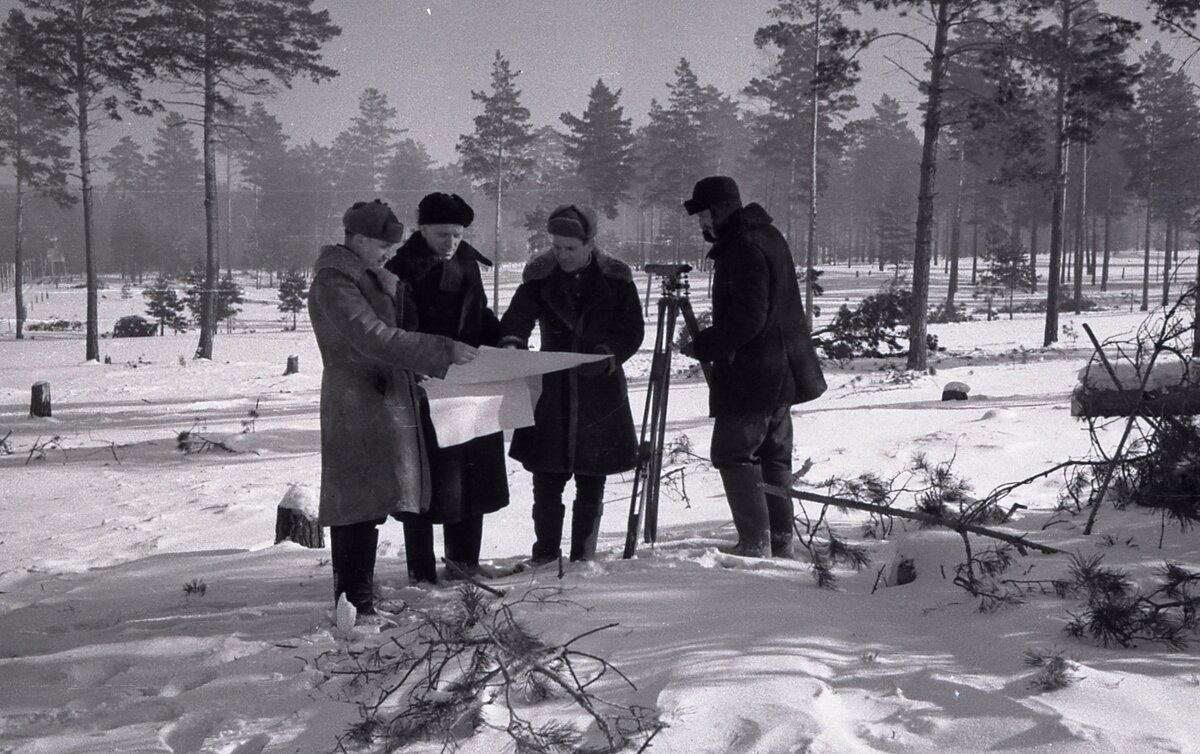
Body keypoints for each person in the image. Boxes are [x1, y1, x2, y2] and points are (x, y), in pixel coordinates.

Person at [308, 198, 478, 616]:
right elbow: (372, 336)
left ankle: (360, 602)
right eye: (383, 245)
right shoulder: (335, 281)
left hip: (383, 395)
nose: (389, 254)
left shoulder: (365, 275)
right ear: (361, 239)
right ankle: (354, 606)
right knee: (355, 504)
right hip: (355, 399)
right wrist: (439, 350)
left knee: (374, 499)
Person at [679, 176, 826, 559]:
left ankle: (756, 544)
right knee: (773, 456)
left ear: (721, 209)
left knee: (734, 453)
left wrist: (703, 345)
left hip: (757, 374)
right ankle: (779, 543)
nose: (702, 224)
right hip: (781, 368)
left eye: (704, 214)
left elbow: (748, 318)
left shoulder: (744, 247)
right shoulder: (765, 236)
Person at [498, 204, 644, 565]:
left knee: (592, 477)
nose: (561, 255)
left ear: (590, 244)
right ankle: (545, 555)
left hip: (601, 391)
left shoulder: (617, 279)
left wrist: (609, 355)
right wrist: (513, 341)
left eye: (570, 248)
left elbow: (632, 331)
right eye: (557, 247)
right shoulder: (540, 276)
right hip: (551, 392)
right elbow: (518, 316)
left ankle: (583, 557)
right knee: (546, 478)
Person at [384, 192, 509, 584]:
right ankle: (420, 572)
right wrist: (425, 363)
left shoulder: (468, 264)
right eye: (443, 234)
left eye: (457, 234)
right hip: (423, 386)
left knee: (472, 476)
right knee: (424, 482)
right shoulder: (403, 270)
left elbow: (479, 314)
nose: (451, 243)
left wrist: (503, 340)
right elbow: (400, 329)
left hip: (470, 382)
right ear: (421, 229)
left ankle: (464, 565)